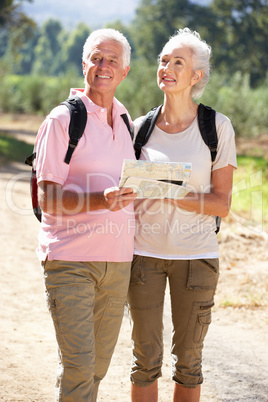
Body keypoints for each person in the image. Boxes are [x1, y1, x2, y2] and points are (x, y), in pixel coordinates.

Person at [127, 27, 237, 401]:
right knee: (144, 360)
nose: (167, 67)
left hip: (197, 258)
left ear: (196, 76)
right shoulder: (139, 128)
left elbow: (222, 203)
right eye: (163, 60)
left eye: (178, 62)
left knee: (189, 362)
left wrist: (165, 188)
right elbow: (126, 190)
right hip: (143, 257)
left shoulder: (216, 127)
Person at [35, 28, 137, 401]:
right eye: (96, 58)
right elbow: (48, 198)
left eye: (112, 60)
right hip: (70, 260)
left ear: (125, 71)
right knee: (79, 367)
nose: (103, 65)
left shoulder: (127, 122)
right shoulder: (62, 120)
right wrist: (100, 199)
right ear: (84, 65)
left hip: (118, 262)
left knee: (96, 369)